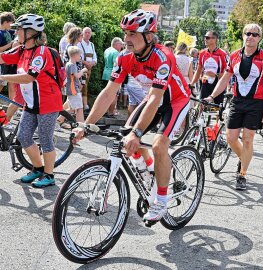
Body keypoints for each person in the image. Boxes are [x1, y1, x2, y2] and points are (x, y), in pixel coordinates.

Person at [73, 9, 190, 221]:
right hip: (153, 98)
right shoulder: (124, 57)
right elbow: (109, 92)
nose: (126, 39)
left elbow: (155, 99)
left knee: (158, 145)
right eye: (125, 33)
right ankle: (150, 173)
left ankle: (161, 201)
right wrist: (86, 124)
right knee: (126, 136)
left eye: (132, 34)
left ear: (149, 36)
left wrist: (137, 132)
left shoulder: (163, 57)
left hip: (175, 100)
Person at [204, 23, 263, 190]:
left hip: (255, 103)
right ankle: (244, 158)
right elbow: (225, 79)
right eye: (247, 33)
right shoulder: (235, 55)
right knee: (231, 138)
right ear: (243, 35)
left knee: (248, 138)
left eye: (254, 34)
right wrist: (212, 95)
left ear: (259, 38)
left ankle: (242, 173)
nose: (250, 36)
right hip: (237, 101)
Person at [0, 14, 63, 187]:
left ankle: (49, 175)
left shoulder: (41, 53)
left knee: (45, 139)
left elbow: (28, 77)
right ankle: (37, 168)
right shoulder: (22, 50)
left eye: (19, 29)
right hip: (32, 102)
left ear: (30, 32)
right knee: (24, 135)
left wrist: (2, 77)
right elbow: (2, 57)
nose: (16, 32)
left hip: (48, 102)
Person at [190, 30, 227, 105]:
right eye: (205, 37)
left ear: (214, 39)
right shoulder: (202, 53)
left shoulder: (222, 54)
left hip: (218, 84)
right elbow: (198, 70)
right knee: (202, 105)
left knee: (217, 108)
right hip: (205, 83)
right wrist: (192, 83)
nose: (205, 39)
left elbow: (227, 73)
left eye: (207, 38)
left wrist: (216, 74)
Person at [65, 46, 88, 122]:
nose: (80, 57)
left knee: (71, 109)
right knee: (79, 108)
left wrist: (79, 84)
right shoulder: (72, 65)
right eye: (79, 55)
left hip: (72, 89)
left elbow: (73, 77)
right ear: (74, 55)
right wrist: (83, 70)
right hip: (73, 90)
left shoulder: (70, 64)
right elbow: (77, 76)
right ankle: (81, 126)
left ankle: (57, 120)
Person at [102, 37, 124, 114]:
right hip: (113, 75)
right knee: (114, 95)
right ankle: (111, 112)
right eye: (121, 44)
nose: (121, 47)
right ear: (116, 44)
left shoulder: (107, 50)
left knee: (106, 94)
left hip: (105, 74)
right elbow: (117, 65)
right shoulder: (116, 52)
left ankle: (105, 111)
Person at [78, 27, 97, 111]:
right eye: (86, 32)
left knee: (85, 85)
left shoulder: (92, 44)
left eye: (89, 32)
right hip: (81, 68)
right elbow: (77, 57)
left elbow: (95, 59)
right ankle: (82, 105)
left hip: (89, 68)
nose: (87, 34)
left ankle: (83, 104)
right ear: (82, 33)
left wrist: (91, 64)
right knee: (81, 85)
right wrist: (85, 63)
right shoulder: (79, 44)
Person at [0, 12, 16, 97]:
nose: (12, 25)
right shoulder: (0, 33)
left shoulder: (8, 31)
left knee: (7, 84)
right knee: (1, 82)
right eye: (11, 23)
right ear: (6, 22)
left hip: (8, 62)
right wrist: (10, 44)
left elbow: (18, 31)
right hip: (2, 62)